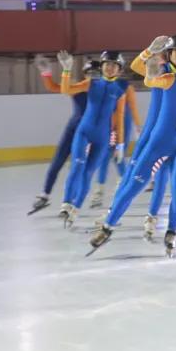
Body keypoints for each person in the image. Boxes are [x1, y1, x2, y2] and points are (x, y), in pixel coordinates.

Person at [90, 37, 176, 257]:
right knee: (134, 185)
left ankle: (172, 232)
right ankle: (108, 226)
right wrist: (149, 63)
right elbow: (150, 81)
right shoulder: (171, 79)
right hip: (158, 142)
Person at [55, 50, 127, 227]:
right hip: (84, 132)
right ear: (101, 66)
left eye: (114, 65)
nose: (110, 68)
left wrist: (120, 145)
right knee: (77, 166)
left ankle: (76, 208)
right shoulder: (91, 83)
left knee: (88, 173)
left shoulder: (119, 92)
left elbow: (119, 118)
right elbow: (66, 90)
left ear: (119, 70)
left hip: (102, 137)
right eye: (107, 64)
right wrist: (66, 70)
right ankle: (66, 203)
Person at [29, 57, 99, 214]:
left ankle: (70, 201)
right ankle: (45, 194)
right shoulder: (78, 87)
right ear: (85, 74)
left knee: (77, 167)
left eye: (96, 73)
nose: (92, 76)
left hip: (89, 133)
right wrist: (46, 73)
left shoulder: (104, 91)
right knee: (57, 162)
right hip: (73, 129)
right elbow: (54, 87)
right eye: (89, 73)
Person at [135, 35, 176, 240]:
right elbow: (136, 67)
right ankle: (119, 214)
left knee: (168, 180)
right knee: (143, 175)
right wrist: (148, 51)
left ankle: (154, 218)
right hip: (154, 133)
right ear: (169, 54)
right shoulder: (161, 70)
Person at [90, 67, 141, 209]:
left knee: (115, 157)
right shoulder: (101, 85)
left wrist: (138, 126)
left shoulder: (126, 86)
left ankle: (120, 189)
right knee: (105, 157)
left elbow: (133, 107)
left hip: (121, 126)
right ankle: (105, 190)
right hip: (106, 125)